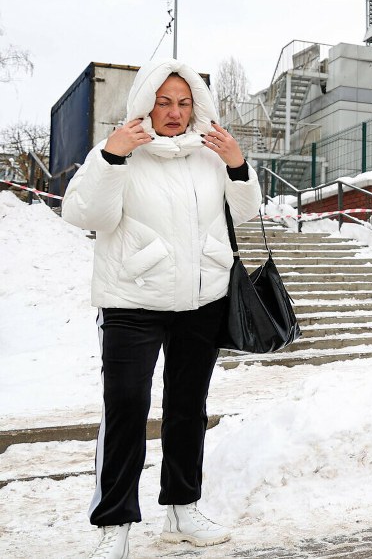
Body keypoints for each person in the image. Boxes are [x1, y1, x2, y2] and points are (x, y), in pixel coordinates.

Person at [62, 59, 261, 559]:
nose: (173, 112)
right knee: (126, 408)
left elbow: (247, 211)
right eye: (164, 101)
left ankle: (181, 510)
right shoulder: (121, 149)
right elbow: (87, 215)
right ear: (147, 102)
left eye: (183, 102)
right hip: (132, 299)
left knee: (187, 408)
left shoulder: (210, 154)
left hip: (202, 298)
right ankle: (115, 526)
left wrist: (237, 164)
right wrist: (112, 156)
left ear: (196, 106)